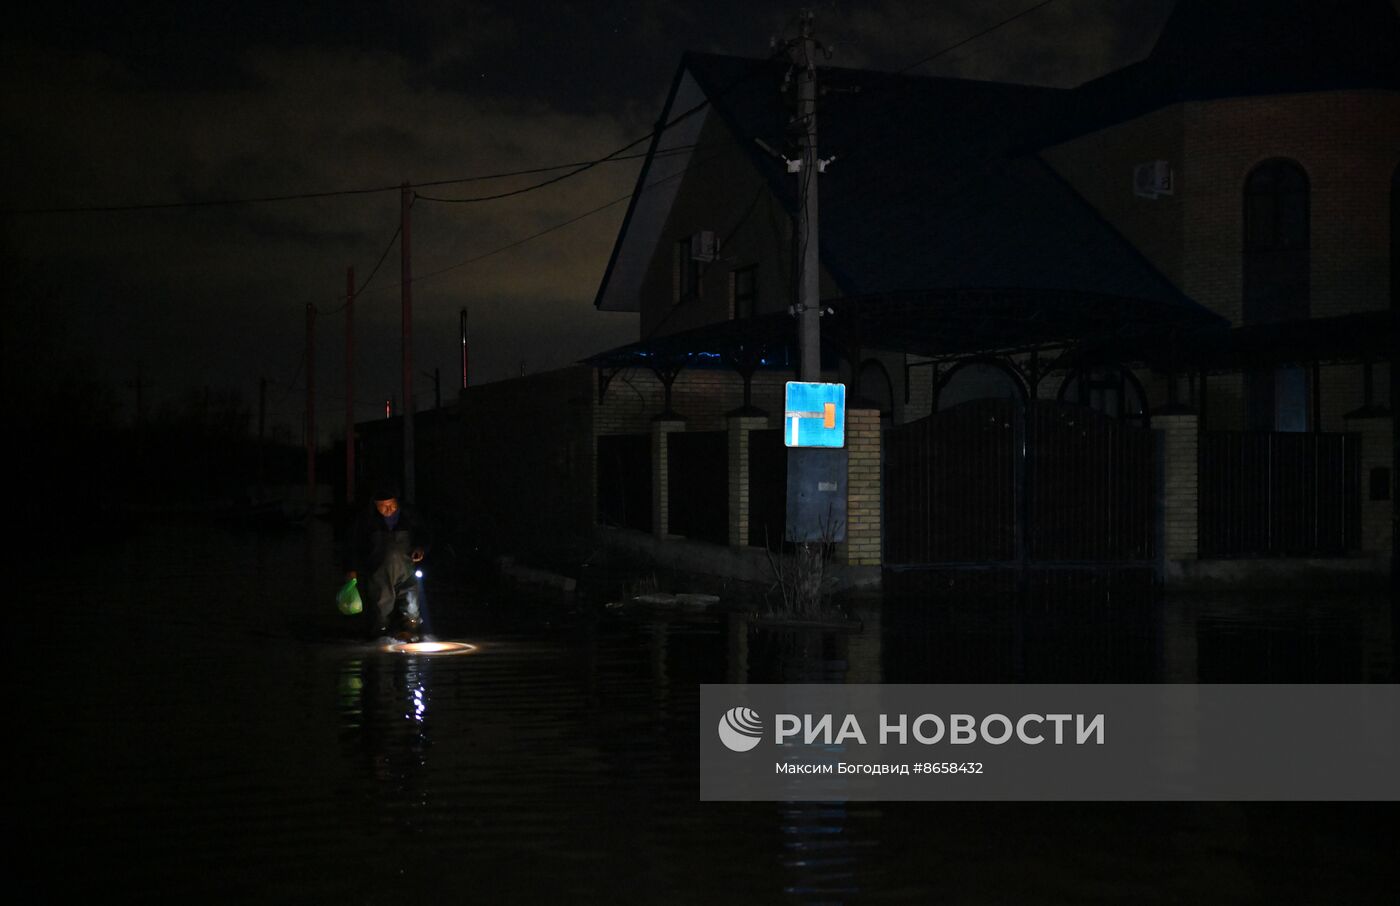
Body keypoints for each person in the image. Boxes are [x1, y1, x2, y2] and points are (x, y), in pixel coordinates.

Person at [344, 483, 432, 641]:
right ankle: (380, 634)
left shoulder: (409, 515)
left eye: (391, 505)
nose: (388, 509)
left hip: (407, 569)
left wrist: (420, 548)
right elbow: (353, 544)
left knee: (411, 604)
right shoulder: (367, 519)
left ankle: (410, 631)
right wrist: (352, 569)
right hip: (379, 572)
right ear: (375, 505)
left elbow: (423, 534)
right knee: (381, 606)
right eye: (383, 506)